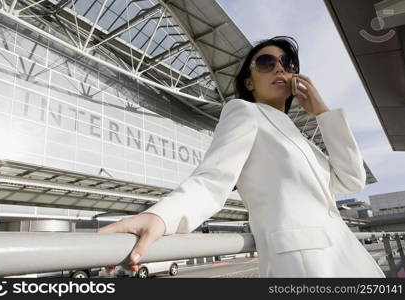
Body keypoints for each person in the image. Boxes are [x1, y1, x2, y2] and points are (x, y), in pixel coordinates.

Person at [97, 36, 386, 277]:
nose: (279, 69)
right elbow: (212, 181)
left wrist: (323, 113)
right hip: (307, 266)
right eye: (266, 63)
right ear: (249, 82)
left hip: (350, 261)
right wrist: (160, 217)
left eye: (287, 64)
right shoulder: (244, 112)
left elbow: (352, 181)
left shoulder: (302, 140)